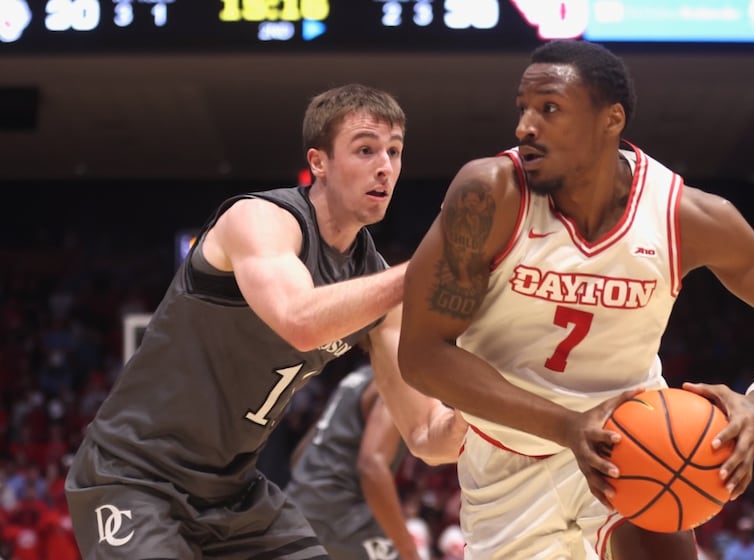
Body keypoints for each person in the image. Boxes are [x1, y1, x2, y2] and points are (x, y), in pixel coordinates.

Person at [398, 40, 754, 559]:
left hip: (632, 443)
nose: (525, 127)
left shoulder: (681, 216)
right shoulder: (488, 195)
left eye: (549, 109)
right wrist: (567, 427)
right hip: (508, 454)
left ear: (610, 120)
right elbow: (422, 355)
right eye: (523, 109)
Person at [64, 84, 466, 559]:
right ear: (319, 162)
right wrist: (432, 268)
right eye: (365, 149)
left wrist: (479, 403)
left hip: (233, 494)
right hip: (135, 475)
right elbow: (299, 321)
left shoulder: (381, 287)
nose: (385, 167)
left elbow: (427, 440)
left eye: (394, 151)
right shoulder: (259, 219)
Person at [285, 361, 421, 560]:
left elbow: (301, 452)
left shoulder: (357, 377)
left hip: (298, 501)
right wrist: (409, 550)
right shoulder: (399, 382)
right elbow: (372, 467)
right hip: (341, 514)